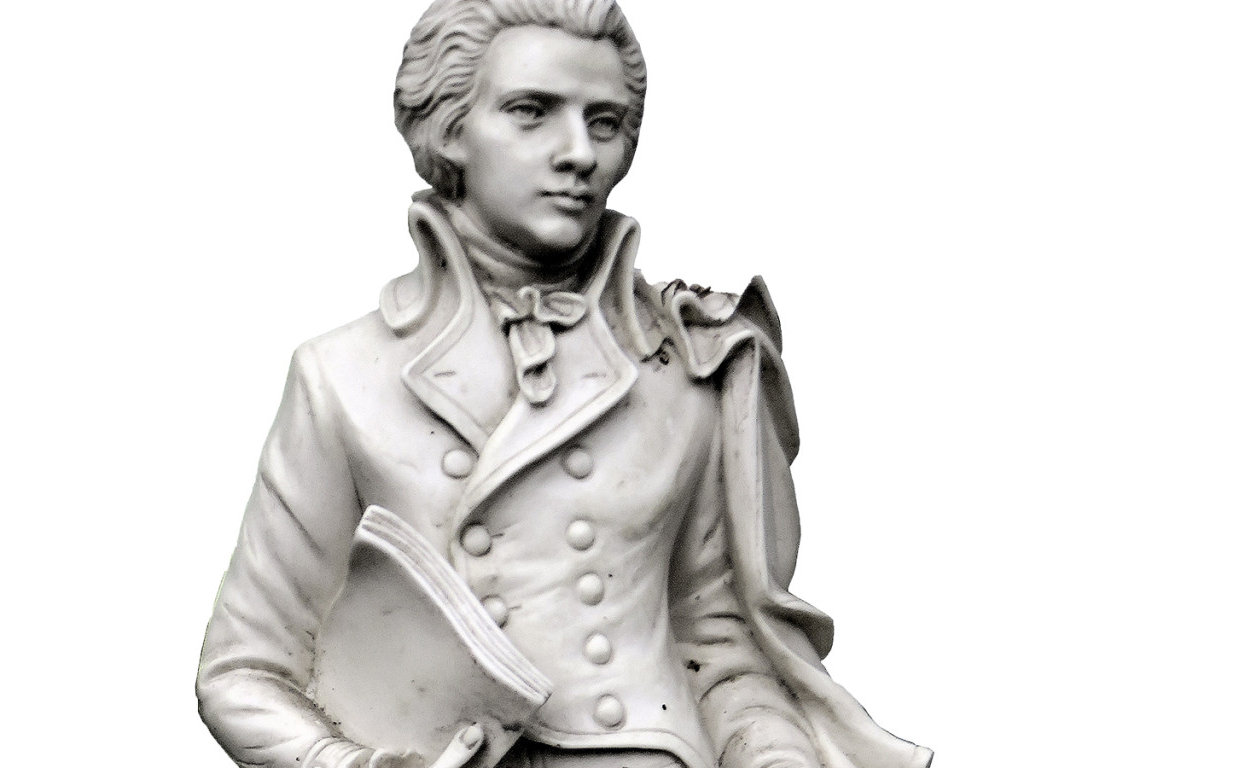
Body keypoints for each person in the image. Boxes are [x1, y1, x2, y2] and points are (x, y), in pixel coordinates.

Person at [196, 2, 932, 768]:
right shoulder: (343, 378)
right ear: (451, 128)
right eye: (532, 112)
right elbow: (244, 670)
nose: (579, 153)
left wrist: (778, 759)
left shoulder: (689, 363)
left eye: (605, 123)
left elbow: (722, 646)